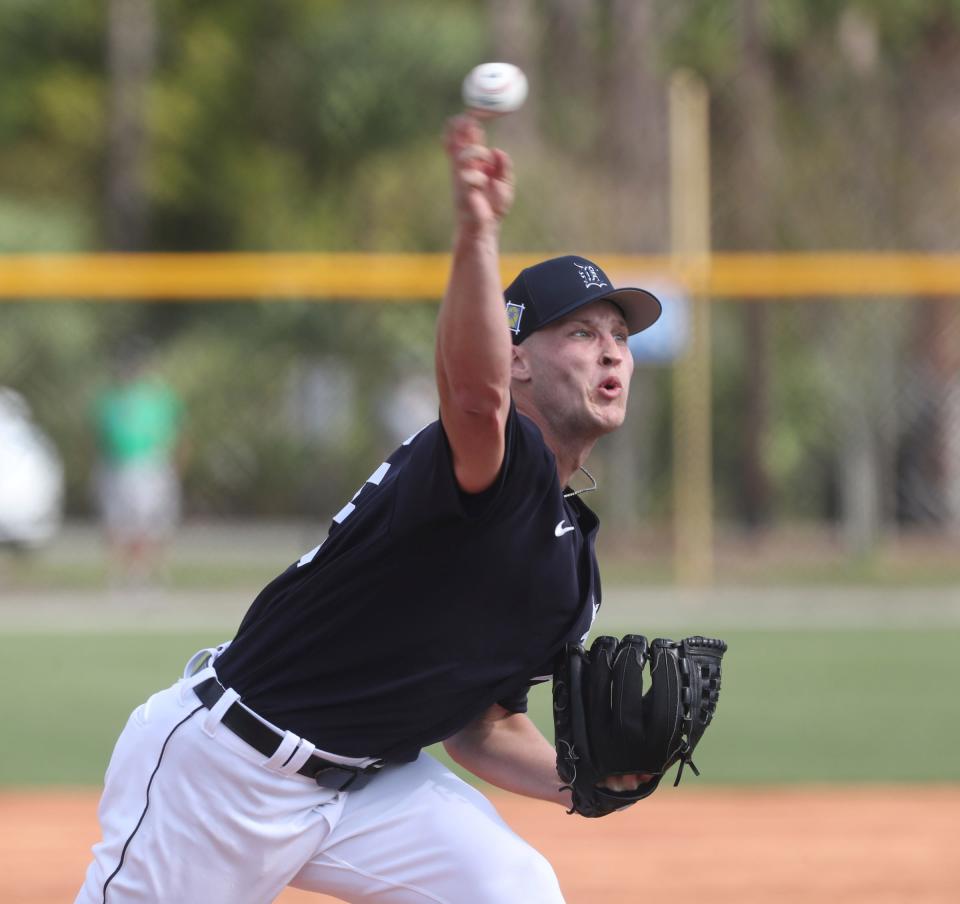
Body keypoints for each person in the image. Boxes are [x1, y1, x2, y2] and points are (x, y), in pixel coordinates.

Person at [76, 115, 662, 904]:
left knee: (514, 889)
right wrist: (476, 236)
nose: (611, 350)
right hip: (227, 773)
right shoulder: (492, 458)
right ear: (517, 356)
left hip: (369, 793)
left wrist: (584, 780)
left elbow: (480, 727)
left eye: (619, 336)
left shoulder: (571, 567)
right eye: (582, 331)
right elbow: (471, 392)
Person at [91, 341, 184, 589]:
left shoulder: (159, 397)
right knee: (119, 524)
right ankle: (121, 576)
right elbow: (100, 437)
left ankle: (151, 575)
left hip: (150, 465)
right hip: (118, 465)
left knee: (152, 524)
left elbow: (177, 433)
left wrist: (173, 465)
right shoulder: (112, 399)